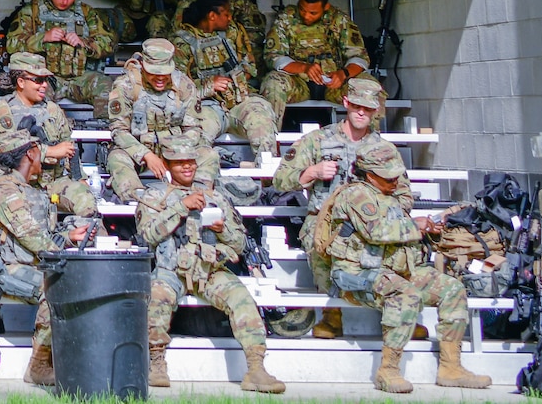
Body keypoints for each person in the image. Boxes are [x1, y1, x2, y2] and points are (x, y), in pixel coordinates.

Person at [318, 155, 491, 393]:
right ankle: (388, 371)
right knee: (404, 293)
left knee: (452, 289)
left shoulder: (387, 196)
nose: (395, 181)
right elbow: (376, 232)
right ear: (370, 176)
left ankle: (451, 368)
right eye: (388, 177)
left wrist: (428, 229)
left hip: (394, 270)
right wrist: (415, 226)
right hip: (357, 275)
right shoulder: (355, 195)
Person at [136, 135, 283, 392]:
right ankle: (156, 361)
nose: (187, 167)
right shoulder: (154, 197)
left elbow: (238, 243)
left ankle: (256, 368)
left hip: (209, 270)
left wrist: (222, 229)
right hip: (171, 269)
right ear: (168, 165)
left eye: (190, 162)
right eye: (179, 162)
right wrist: (181, 207)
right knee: (156, 296)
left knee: (241, 298)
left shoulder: (216, 197)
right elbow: (148, 236)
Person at [273, 76, 408, 339]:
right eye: (357, 105)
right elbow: (280, 179)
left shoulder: (383, 148)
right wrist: (311, 172)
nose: (361, 112)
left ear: (375, 111)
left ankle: (398, 316)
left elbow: (404, 194)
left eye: (368, 109)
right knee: (317, 239)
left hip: (370, 223)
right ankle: (332, 315)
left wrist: (386, 213)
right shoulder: (318, 140)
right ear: (345, 102)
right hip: (327, 221)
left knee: (398, 245)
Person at [0, 134, 95, 388]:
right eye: (40, 151)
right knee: (55, 288)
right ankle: (38, 365)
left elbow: (36, 236)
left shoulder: (27, 189)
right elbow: (31, 237)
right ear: (30, 154)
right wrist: (61, 248)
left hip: (18, 264)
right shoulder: (6, 192)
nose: (45, 156)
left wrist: (69, 237)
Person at [0, 53, 100, 218]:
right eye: (38, 80)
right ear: (21, 82)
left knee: (86, 201)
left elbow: (69, 147)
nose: (44, 85)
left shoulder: (52, 109)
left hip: (52, 183)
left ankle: (77, 237)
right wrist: (50, 152)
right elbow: (8, 150)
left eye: (46, 80)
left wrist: (79, 178)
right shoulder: (1, 109)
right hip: (15, 184)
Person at [105, 38, 217, 202]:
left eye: (165, 73)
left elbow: (194, 128)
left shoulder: (184, 85)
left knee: (209, 155)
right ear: (143, 66)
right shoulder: (125, 86)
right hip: (141, 149)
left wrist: (176, 154)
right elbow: (119, 131)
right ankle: (139, 200)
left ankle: (199, 196)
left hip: (177, 151)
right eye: (154, 72)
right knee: (117, 158)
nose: (160, 78)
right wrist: (147, 155)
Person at [170, 0, 279, 159]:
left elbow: (250, 68)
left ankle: (267, 175)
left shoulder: (233, 34)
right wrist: (208, 85)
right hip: (207, 106)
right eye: (226, 14)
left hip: (238, 102)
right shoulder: (183, 42)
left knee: (261, 116)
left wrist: (238, 78)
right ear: (212, 15)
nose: (230, 18)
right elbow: (176, 87)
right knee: (196, 134)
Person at [2, 0, 117, 106]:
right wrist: (43, 38)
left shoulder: (87, 13)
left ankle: (104, 127)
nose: (65, 0)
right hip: (45, 78)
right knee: (31, 96)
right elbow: (11, 45)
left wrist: (84, 43)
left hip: (81, 78)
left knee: (108, 89)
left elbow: (109, 44)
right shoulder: (32, 11)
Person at [261, 0, 370, 117]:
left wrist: (343, 74)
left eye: (313, 13)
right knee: (273, 83)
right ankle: (271, 136)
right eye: (302, 9)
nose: (306, 16)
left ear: (326, 7)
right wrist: (304, 68)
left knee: (369, 86)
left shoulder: (339, 19)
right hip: (298, 82)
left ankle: (370, 137)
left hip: (334, 83)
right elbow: (273, 56)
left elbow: (360, 57)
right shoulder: (286, 18)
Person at [150, 0, 268, 45]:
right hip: (197, 44)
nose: (212, 0)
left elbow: (257, 32)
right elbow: (176, 33)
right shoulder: (189, 2)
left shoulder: (239, 0)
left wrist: (232, 39)